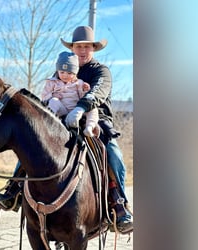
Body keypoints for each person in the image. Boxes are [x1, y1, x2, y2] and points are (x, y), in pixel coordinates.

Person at [61, 25, 133, 233]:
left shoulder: (101, 71)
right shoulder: (64, 68)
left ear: (93, 49)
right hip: (64, 118)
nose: (82, 50)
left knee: (113, 154)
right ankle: (15, 188)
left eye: (87, 46)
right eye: (79, 46)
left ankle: (119, 204)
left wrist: (81, 108)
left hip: (97, 121)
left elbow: (98, 92)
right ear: (73, 48)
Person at [42, 51, 99, 137]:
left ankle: (89, 127)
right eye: (62, 72)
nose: (65, 75)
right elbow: (43, 97)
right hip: (62, 110)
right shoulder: (51, 82)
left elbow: (83, 98)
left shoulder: (79, 83)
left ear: (75, 73)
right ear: (57, 71)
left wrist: (85, 90)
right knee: (54, 101)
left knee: (92, 107)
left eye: (69, 73)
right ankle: (48, 123)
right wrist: (52, 96)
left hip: (76, 111)